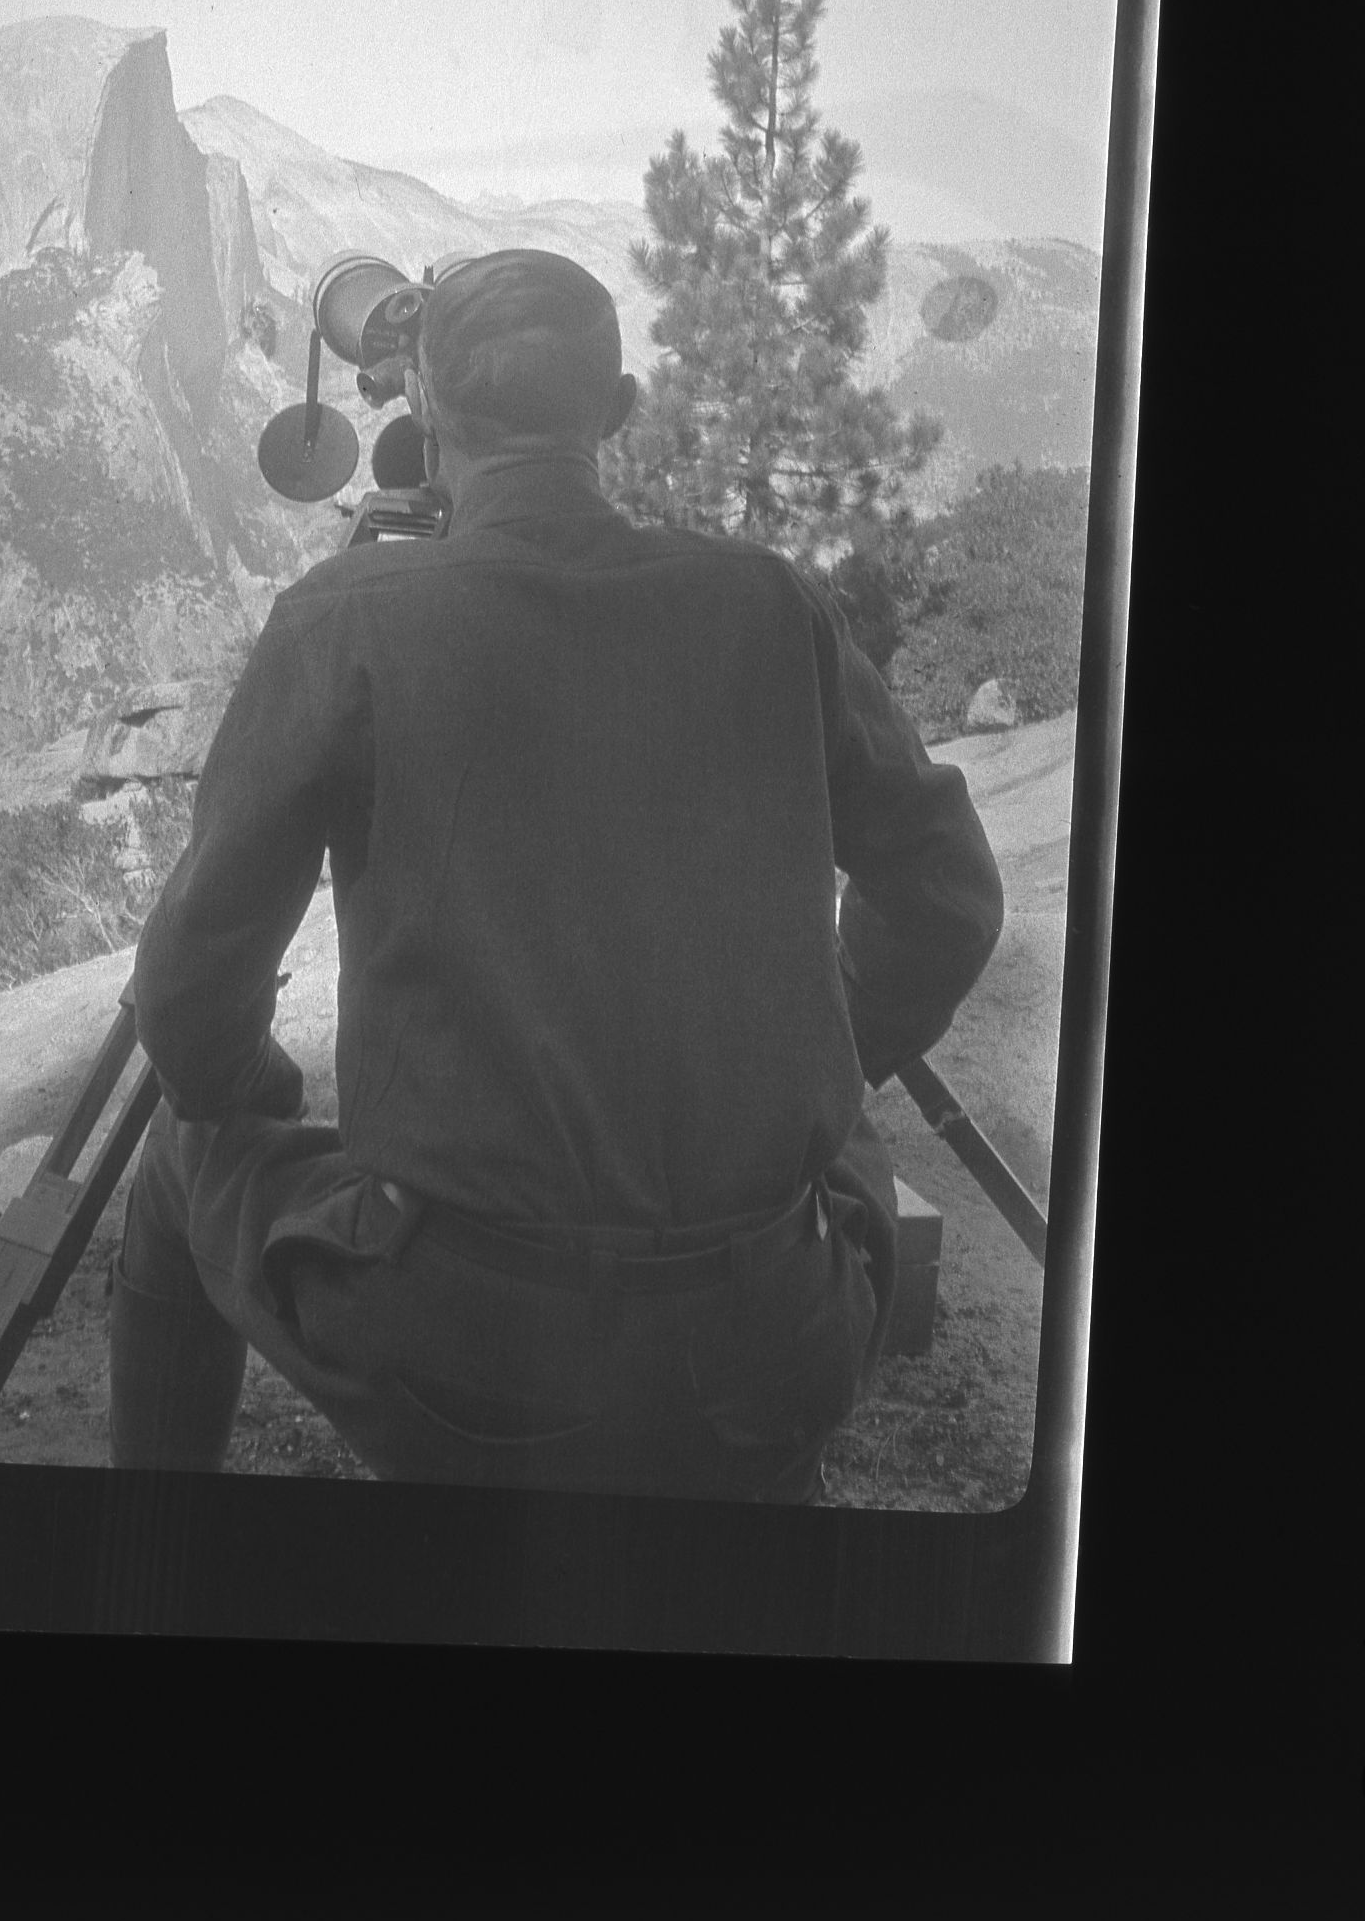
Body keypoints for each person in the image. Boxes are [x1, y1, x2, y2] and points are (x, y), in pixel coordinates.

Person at [107, 248, 1002, 1500]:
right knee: (816, 1163)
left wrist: (258, 1088)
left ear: (422, 409)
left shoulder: (344, 620)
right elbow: (947, 895)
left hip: (462, 1367)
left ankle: (152, 1559)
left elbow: (188, 1012)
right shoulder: (770, 606)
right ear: (619, 412)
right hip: (768, 1348)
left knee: (179, 1156)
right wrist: (832, 1047)